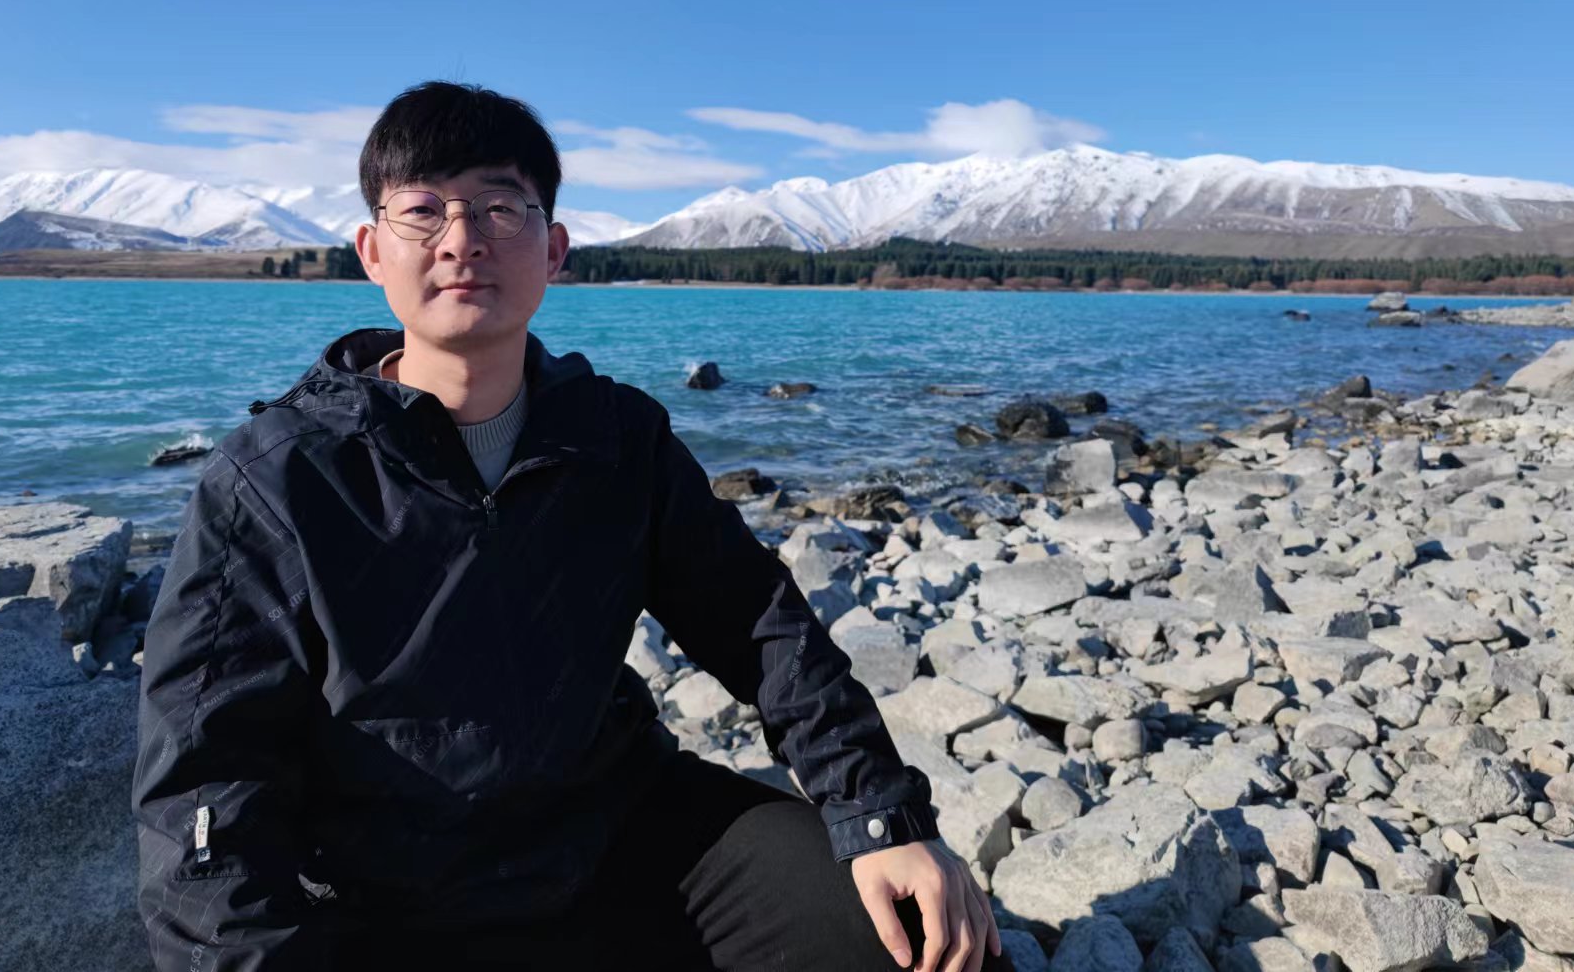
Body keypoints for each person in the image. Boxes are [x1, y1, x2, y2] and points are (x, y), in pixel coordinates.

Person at [131, 81, 1011, 971]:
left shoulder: (613, 437)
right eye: (423, 210)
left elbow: (759, 624)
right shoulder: (277, 478)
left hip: (620, 843)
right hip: (394, 899)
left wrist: (880, 812)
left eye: (499, 206)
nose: (462, 239)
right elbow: (204, 779)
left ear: (553, 250)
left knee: (925, 935)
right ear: (371, 250)